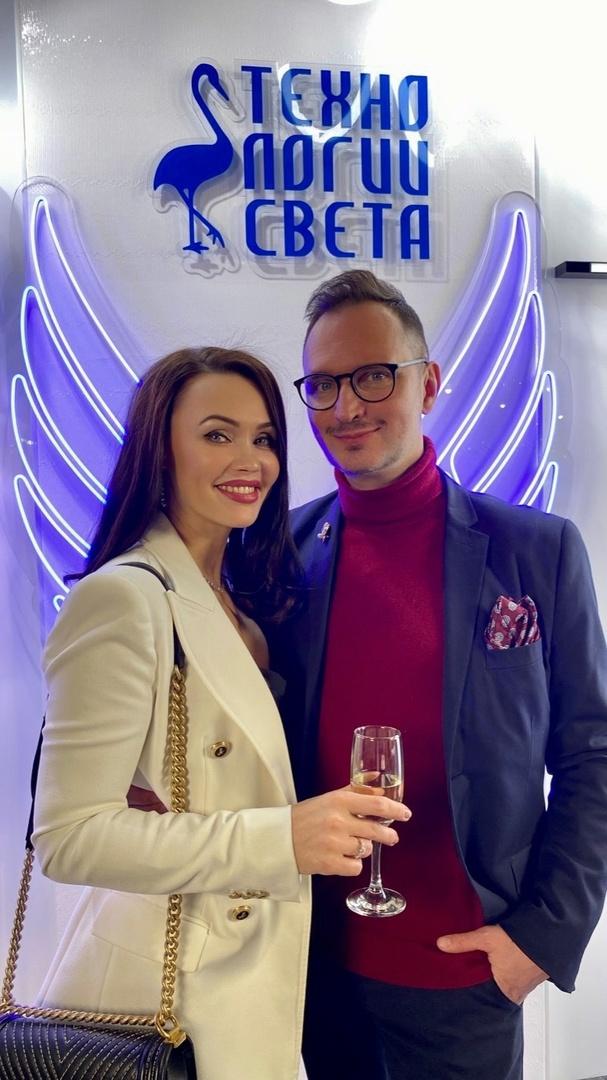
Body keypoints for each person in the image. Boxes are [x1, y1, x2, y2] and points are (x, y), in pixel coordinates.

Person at [31, 346, 409, 1080]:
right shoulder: (122, 598)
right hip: (165, 998)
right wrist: (281, 838)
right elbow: (69, 838)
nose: (250, 460)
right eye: (216, 434)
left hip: (257, 981)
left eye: (264, 437)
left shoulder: (242, 604)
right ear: (159, 450)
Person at [269, 272, 607, 1080]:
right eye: (322, 385)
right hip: (312, 971)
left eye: (372, 376)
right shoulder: (278, 553)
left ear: (427, 383)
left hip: (466, 975)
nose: (345, 407)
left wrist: (540, 938)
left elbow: (592, 755)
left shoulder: (535, 550)